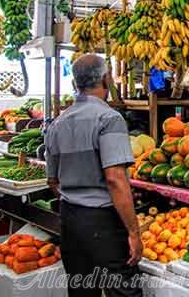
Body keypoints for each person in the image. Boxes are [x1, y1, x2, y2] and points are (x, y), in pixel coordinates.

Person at [45, 54, 142, 297]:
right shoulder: (109, 118)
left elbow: (52, 181)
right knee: (124, 291)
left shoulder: (57, 123)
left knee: (81, 290)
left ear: (74, 84)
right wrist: (134, 232)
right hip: (103, 220)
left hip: (69, 218)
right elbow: (115, 179)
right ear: (106, 80)